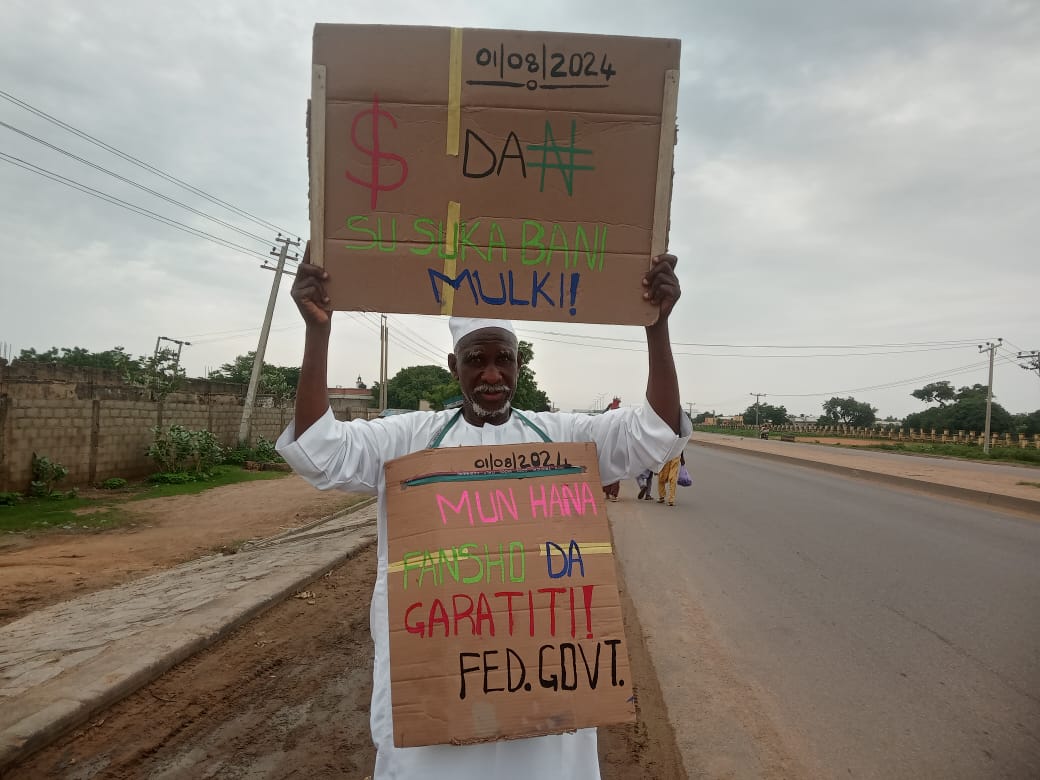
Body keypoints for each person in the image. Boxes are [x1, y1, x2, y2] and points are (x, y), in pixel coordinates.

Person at [276, 243, 691, 780]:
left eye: (504, 360)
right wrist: (318, 334)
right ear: (454, 366)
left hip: (544, 708)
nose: (492, 375)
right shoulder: (410, 440)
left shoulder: (562, 436)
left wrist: (657, 328)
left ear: (519, 364)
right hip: (439, 695)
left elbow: (654, 433)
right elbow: (319, 451)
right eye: (477, 360)